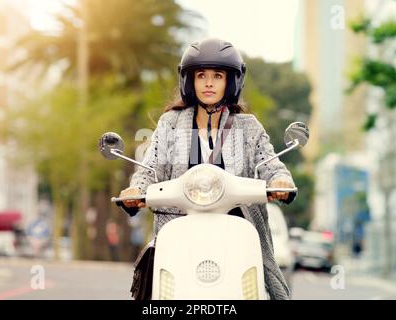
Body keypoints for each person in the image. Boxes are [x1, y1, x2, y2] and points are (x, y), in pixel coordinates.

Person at [118, 38, 296, 300]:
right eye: (201, 75)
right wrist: (136, 188)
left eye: (218, 75)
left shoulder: (248, 127)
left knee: (262, 288)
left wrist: (280, 181)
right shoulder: (171, 124)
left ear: (231, 82)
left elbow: (270, 163)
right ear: (190, 81)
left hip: (237, 226)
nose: (209, 82)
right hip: (179, 226)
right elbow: (150, 166)